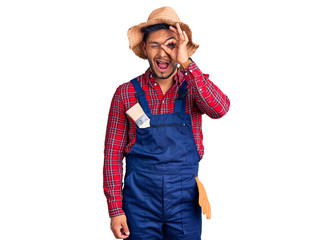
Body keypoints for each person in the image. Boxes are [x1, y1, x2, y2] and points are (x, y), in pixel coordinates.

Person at [103, 6, 230, 240]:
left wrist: (187, 63)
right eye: (155, 45)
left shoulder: (194, 86)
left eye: (171, 44)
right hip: (138, 204)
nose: (163, 53)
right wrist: (115, 209)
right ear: (145, 48)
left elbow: (220, 109)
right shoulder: (125, 94)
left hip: (184, 203)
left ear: (181, 47)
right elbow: (112, 155)